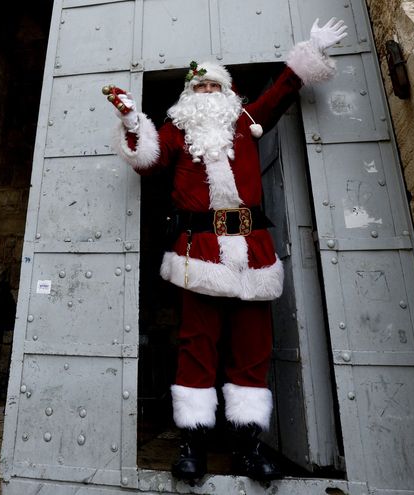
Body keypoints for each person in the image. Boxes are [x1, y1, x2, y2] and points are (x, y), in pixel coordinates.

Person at [108, 19, 348, 483]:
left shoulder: (246, 120)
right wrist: (134, 123)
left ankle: (246, 447)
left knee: (253, 348)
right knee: (197, 345)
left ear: (228, 92)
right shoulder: (176, 130)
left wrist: (309, 51)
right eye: (198, 85)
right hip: (200, 252)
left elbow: (281, 91)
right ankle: (193, 444)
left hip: (253, 253)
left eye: (214, 84)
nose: (206, 91)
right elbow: (149, 163)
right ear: (187, 94)